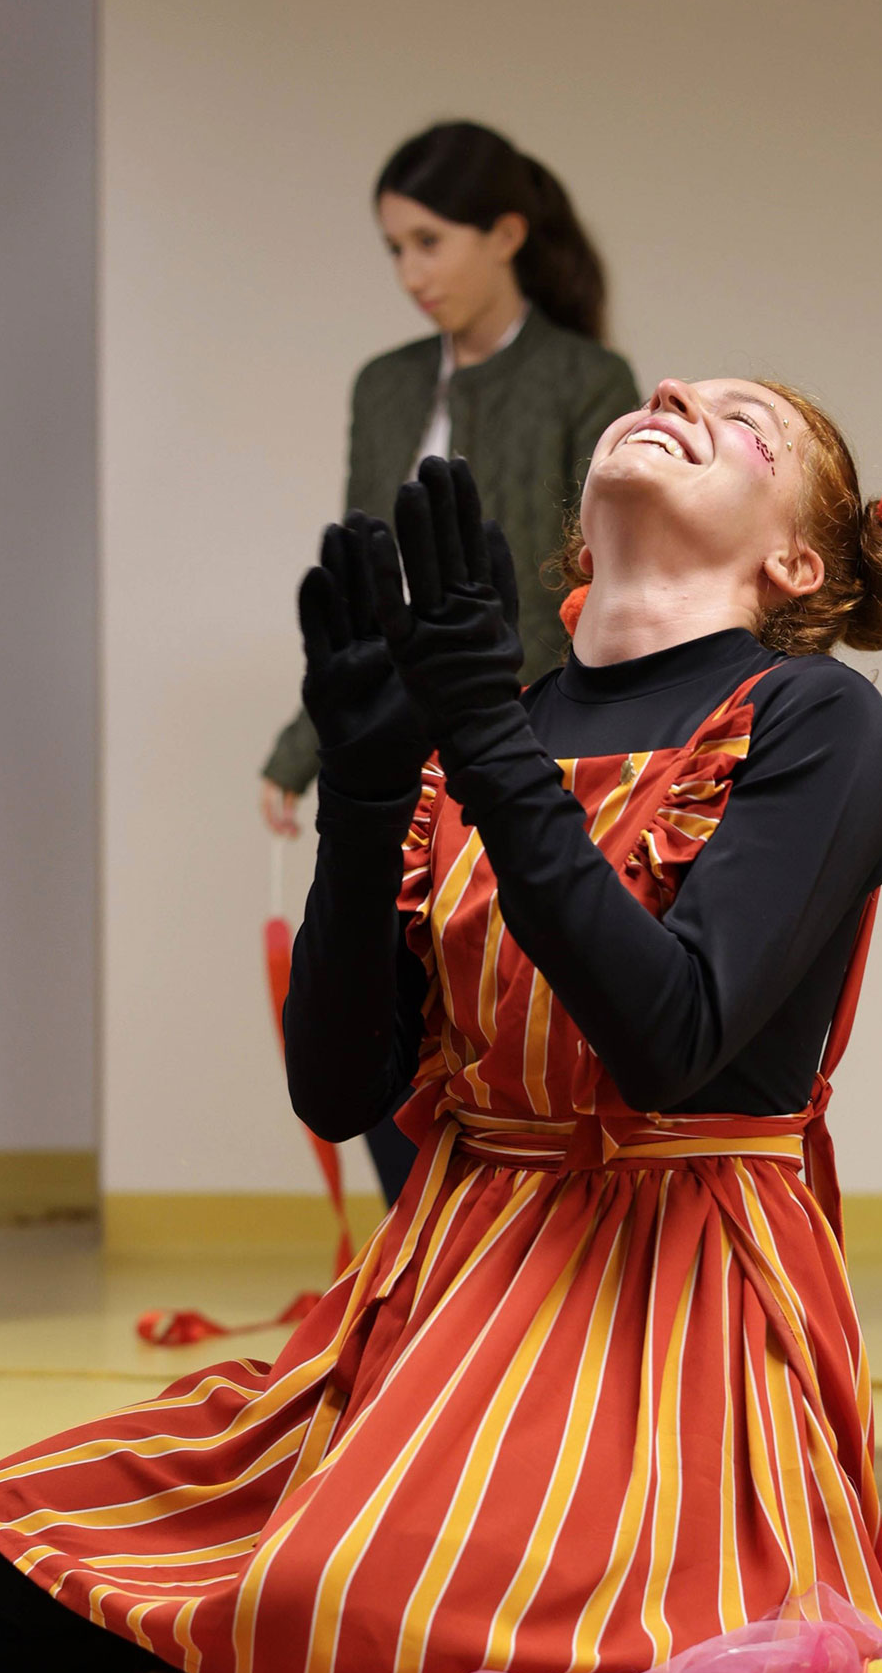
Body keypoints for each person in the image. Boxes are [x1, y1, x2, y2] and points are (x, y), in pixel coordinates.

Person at [0, 378, 882, 1673]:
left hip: (664, 1302)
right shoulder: (480, 728)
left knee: (339, 1599)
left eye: (748, 422)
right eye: (673, 389)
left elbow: (672, 1041)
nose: (679, 393)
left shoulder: (818, 715)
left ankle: (312, 1643)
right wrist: (367, 785)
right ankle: (308, 1633)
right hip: (441, 1287)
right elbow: (339, 1088)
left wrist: (484, 734)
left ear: (796, 560)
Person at [262, 119, 639, 1202]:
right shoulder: (385, 384)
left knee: (491, 1003)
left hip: (522, 744)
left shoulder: (585, 375)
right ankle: (417, 1240)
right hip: (393, 744)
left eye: (429, 242)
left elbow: (596, 567)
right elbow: (359, 570)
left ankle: (499, 1243)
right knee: (379, 1003)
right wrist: (302, 746)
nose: (410, 273)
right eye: (394, 248)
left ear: (507, 233)